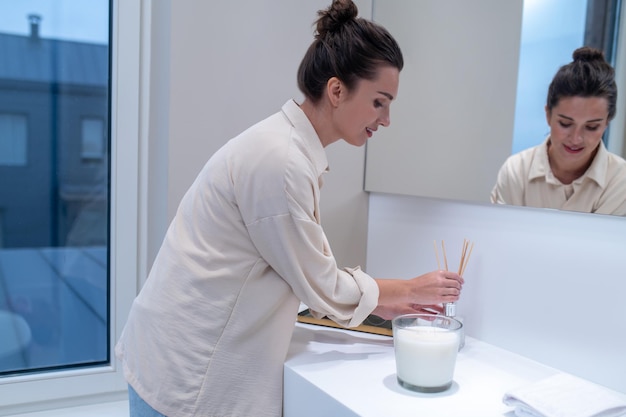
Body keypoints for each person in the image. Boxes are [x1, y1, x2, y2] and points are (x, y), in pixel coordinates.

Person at [115, 1, 464, 416]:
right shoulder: (281, 162)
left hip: (170, 356)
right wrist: (406, 290)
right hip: (186, 375)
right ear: (336, 91)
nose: (386, 119)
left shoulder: (285, 148)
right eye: (379, 102)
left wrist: (382, 300)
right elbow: (322, 288)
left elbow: (304, 274)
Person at [490, 46, 626, 216]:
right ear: (548, 115)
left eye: (591, 127)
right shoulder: (517, 171)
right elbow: (501, 237)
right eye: (565, 123)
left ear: (607, 123)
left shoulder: (620, 180)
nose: (576, 138)